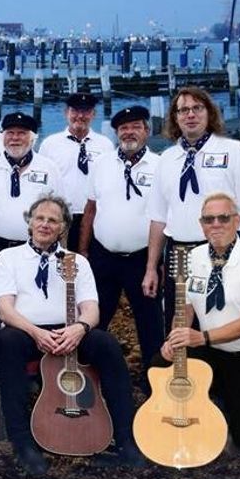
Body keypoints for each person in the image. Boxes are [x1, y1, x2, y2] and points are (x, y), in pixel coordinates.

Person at [0, 195, 143, 476]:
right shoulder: (8, 258)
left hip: (69, 330)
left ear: (63, 227)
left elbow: (92, 309)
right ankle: (22, 443)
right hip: (26, 330)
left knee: (107, 344)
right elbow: (5, 309)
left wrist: (80, 328)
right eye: (39, 218)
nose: (45, 225)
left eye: (53, 220)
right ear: (29, 222)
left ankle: (126, 442)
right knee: (8, 342)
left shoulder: (77, 262)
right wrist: (35, 332)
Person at [143, 86, 240, 331]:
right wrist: (151, 268)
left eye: (197, 108)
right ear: (175, 118)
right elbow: (158, 219)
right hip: (178, 254)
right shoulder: (166, 159)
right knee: (178, 328)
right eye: (183, 110)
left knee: (222, 324)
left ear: (209, 113)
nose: (190, 114)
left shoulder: (234, 152)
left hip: (222, 252)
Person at [160, 192, 240, 453]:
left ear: (237, 221)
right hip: (207, 348)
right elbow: (185, 308)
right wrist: (173, 339)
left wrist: (201, 337)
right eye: (209, 219)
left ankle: (226, 408)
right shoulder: (194, 257)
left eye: (223, 218)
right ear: (201, 225)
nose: (216, 224)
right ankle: (183, 419)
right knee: (159, 363)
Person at [78, 106, 163, 390]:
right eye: (123, 128)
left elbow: (163, 218)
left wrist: (153, 265)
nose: (129, 132)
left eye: (135, 126)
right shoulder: (102, 164)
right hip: (103, 257)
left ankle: (154, 382)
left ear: (146, 131)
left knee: (150, 324)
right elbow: (90, 209)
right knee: (94, 319)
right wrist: (84, 251)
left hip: (142, 259)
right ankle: (86, 376)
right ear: (116, 133)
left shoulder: (160, 166)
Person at [0, 111, 62, 386]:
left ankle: (33, 368)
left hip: (37, 249)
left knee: (32, 303)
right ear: (3, 137)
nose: (15, 138)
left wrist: (62, 252)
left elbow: (60, 213)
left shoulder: (49, 168)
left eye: (21, 133)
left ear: (32, 137)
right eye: (10, 133)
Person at [37, 92, 114, 250]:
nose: (80, 116)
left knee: (89, 261)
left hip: (94, 217)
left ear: (93, 114)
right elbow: (41, 184)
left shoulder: (105, 145)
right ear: (66, 113)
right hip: (60, 217)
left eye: (85, 111)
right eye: (75, 111)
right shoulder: (49, 145)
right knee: (63, 262)